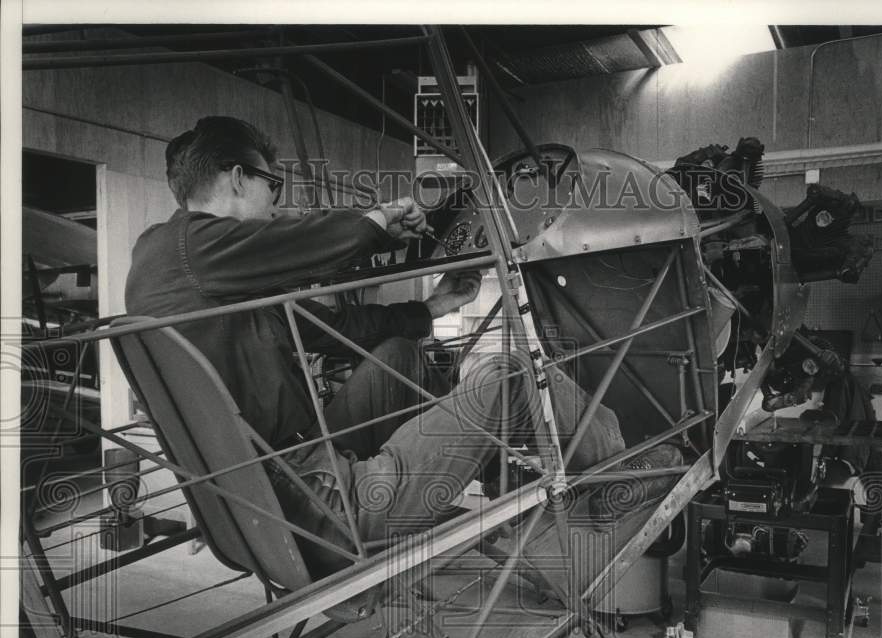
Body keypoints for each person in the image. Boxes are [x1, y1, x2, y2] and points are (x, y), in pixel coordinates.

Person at [125, 116, 644, 576]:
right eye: (273, 186)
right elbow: (299, 241)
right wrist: (376, 221)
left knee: (399, 354)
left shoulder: (180, 266)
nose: (275, 203)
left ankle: (491, 472)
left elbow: (340, 329)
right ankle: (622, 477)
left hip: (277, 490)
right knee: (509, 373)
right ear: (238, 178)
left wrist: (434, 308)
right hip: (324, 507)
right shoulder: (191, 248)